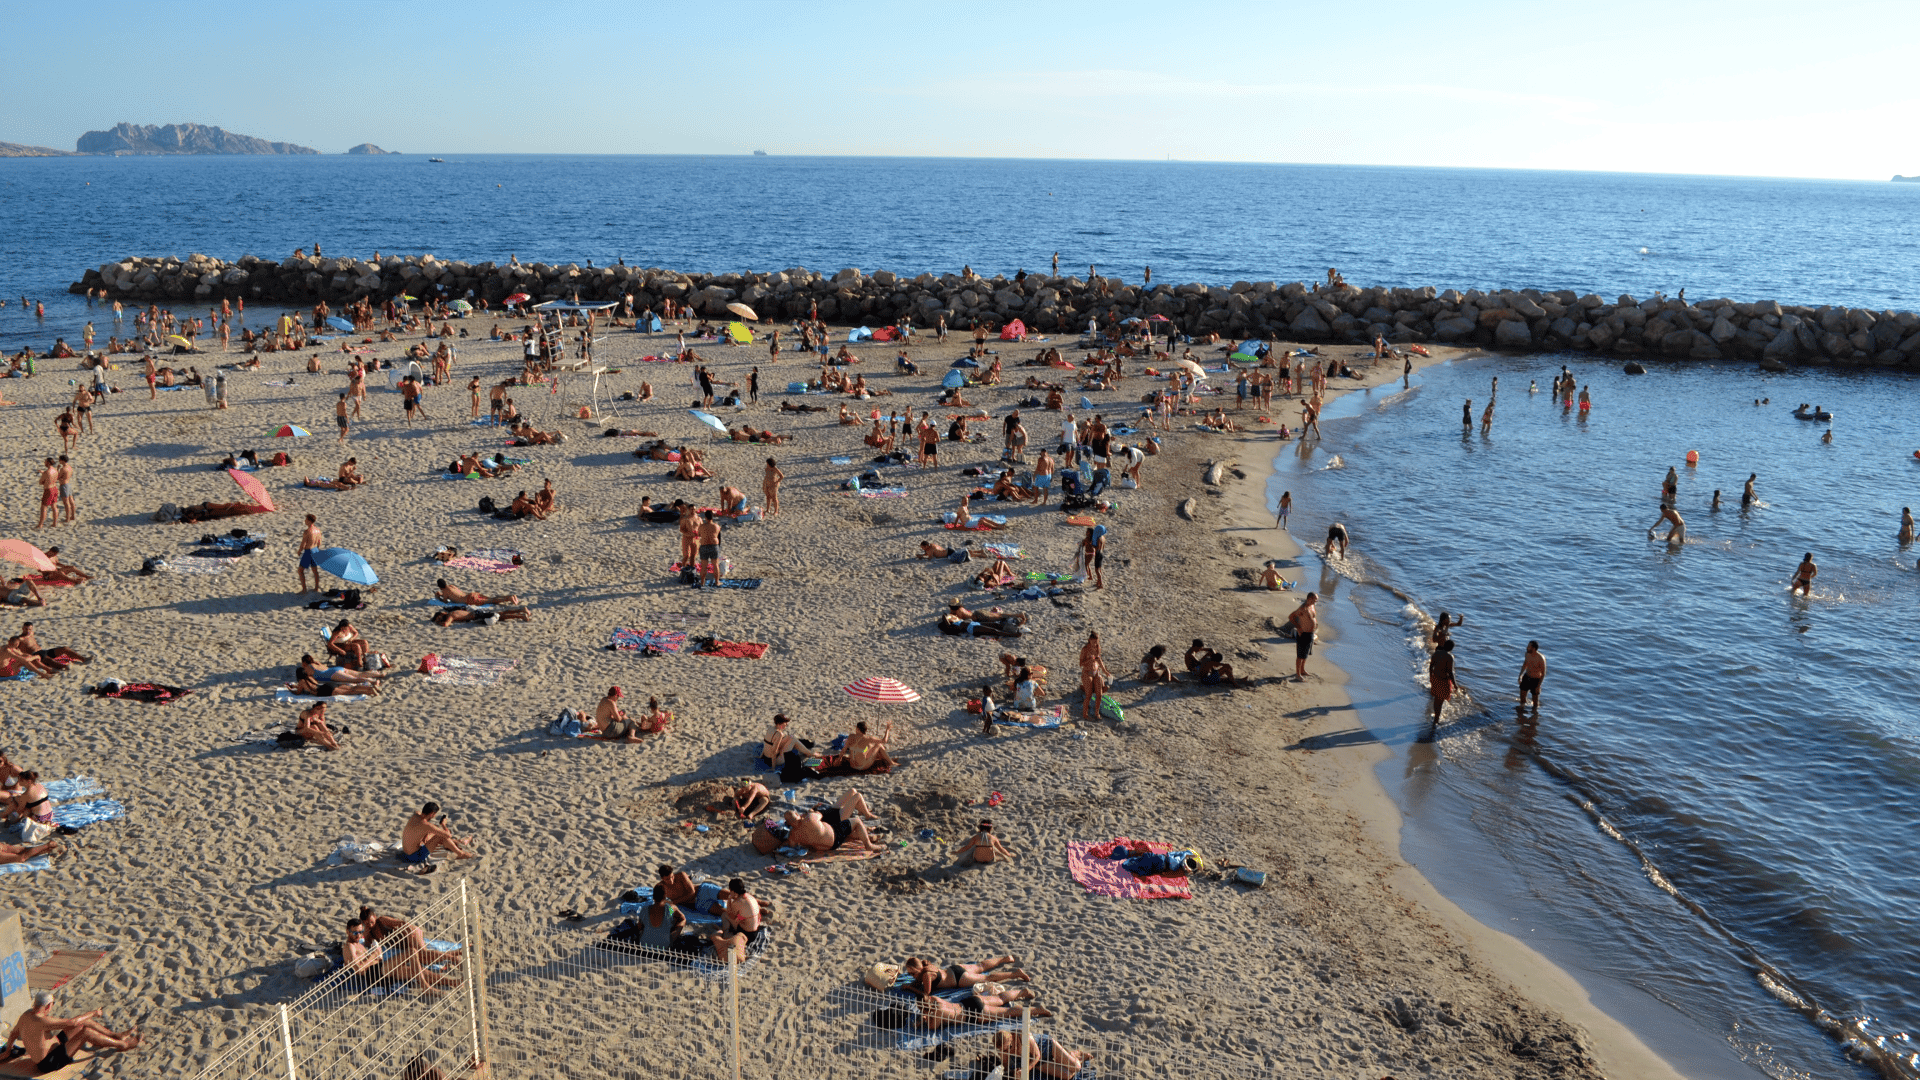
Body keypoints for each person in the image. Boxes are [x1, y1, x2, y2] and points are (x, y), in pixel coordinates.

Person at [1, 990, 142, 1072]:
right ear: (48, 1005)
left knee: (83, 1022)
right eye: (53, 1004)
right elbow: (72, 1022)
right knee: (86, 1032)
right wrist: (93, 1013)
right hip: (49, 1062)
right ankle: (123, 1045)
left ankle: (115, 1035)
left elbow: (14, 1033)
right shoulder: (43, 1021)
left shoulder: (26, 1015)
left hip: (54, 1048)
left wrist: (8, 1050)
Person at [400, 801, 476, 869]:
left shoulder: (416, 815)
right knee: (441, 836)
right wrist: (443, 824)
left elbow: (418, 815)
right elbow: (448, 835)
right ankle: (460, 854)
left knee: (434, 831)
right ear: (431, 814)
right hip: (414, 857)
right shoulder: (426, 825)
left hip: (406, 853)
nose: (434, 816)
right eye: (434, 815)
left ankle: (455, 843)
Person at [784, 807, 877, 856]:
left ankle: (868, 836)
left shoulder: (793, 835)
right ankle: (868, 845)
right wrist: (811, 812)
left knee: (847, 833)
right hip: (834, 839)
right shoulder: (809, 818)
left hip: (823, 848)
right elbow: (821, 814)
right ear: (797, 814)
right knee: (856, 821)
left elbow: (792, 845)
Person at [1289, 593, 1318, 680]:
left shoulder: (1312, 606)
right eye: (1314, 599)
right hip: (1303, 634)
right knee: (1300, 655)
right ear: (1309, 598)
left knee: (1305, 654)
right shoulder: (1302, 608)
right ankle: (1298, 674)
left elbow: (1312, 618)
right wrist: (1298, 627)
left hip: (1310, 634)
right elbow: (1291, 617)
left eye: (1316, 599)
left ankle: (1302, 670)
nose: (1316, 601)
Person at [1429, 638, 1456, 721]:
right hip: (1444, 681)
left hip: (1435, 678)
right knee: (1440, 701)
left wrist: (1431, 677)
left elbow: (1431, 667)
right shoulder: (1449, 657)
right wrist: (1455, 684)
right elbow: (1450, 672)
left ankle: (1436, 716)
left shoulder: (1436, 654)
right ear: (1451, 648)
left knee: (1436, 699)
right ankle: (1436, 719)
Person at [695, 510, 723, 587]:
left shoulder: (701, 526)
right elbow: (718, 536)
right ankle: (717, 582)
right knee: (715, 565)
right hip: (714, 546)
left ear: (705, 517)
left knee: (704, 566)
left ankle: (702, 582)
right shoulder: (717, 526)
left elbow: (699, 534)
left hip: (704, 546)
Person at [297, 514, 324, 593]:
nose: (305, 521)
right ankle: (316, 588)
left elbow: (303, 543)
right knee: (315, 570)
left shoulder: (307, 531)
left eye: (306, 519)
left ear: (309, 521)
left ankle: (304, 589)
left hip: (308, 551)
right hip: (315, 550)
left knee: (300, 570)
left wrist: (299, 551)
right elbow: (319, 542)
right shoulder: (318, 530)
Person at [1518, 640, 1546, 709]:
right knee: (1522, 699)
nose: (1527, 648)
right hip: (1526, 677)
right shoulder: (1527, 654)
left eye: (1528, 647)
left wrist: (1538, 686)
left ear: (1533, 648)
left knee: (1535, 703)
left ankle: (1535, 716)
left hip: (1535, 680)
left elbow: (1543, 674)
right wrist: (1520, 675)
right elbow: (1525, 664)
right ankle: (1521, 713)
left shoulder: (1541, 658)